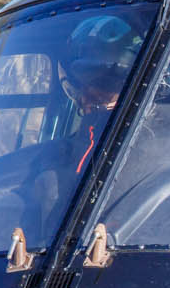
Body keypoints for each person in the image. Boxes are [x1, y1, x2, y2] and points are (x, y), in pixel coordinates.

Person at [59, 13, 139, 174]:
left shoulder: (154, 139)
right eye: (82, 85)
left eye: (107, 83)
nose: (89, 96)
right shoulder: (62, 153)